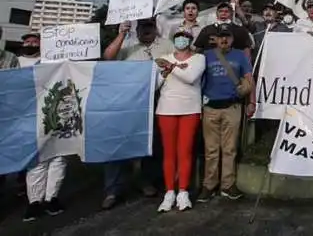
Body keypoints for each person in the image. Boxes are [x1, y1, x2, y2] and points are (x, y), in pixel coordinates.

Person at [101, 18, 170, 209]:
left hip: (156, 99)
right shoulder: (128, 43)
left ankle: (146, 181)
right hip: (127, 101)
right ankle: (113, 189)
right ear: (137, 29)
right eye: (143, 27)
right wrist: (121, 33)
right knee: (118, 144)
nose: (147, 30)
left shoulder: (166, 44)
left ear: (155, 28)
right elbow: (107, 57)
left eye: (150, 26)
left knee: (152, 143)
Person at [197, 24, 254, 202]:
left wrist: (250, 99)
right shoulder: (205, 56)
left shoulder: (240, 56)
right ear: (215, 38)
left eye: (227, 36)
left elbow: (249, 78)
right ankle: (209, 185)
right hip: (210, 108)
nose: (224, 39)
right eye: (220, 36)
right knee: (211, 149)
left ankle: (228, 185)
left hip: (232, 107)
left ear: (232, 39)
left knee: (230, 149)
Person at [154, 30, 206, 213]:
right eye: (178, 37)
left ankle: (183, 192)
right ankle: (169, 192)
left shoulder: (199, 58)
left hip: (190, 109)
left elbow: (191, 77)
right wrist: (165, 71)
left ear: (190, 41)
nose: (181, 39)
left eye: (184, 37)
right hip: (166, 110)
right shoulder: (164, 57)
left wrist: (171, 67)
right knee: (169, 153)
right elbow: (155, 84)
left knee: (185, 151)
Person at [19, 32, 67, 222]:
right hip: (29, 116)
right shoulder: (17, 62)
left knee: (59, 157)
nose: (31, 43)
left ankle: (51, 197)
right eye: (27, 41)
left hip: (56, 113)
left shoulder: (54, 60)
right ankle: (34, 202)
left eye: (35, 41)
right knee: (36, 161)